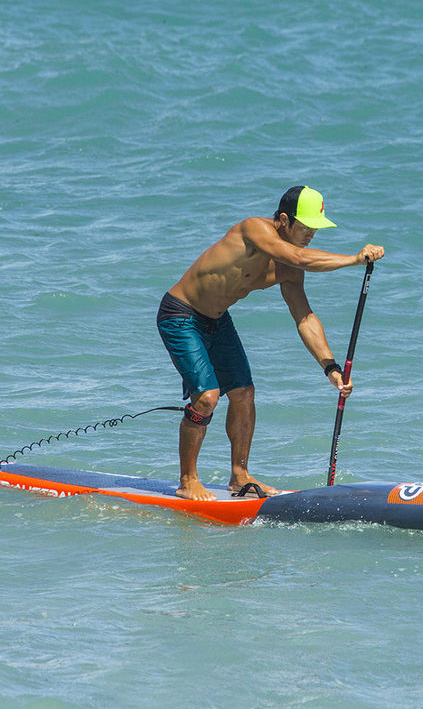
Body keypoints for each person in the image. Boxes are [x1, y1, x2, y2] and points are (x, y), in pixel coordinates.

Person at [156, 186, 385, 501]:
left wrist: (330, 367)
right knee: (207, 398)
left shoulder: (291, 270)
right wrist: (354, 259)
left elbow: (303, 316)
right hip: (180, 315)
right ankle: (188, 481)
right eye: (306, 228)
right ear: (283, 220)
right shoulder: (254, 230)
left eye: (316, 229)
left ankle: (239, 476)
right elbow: (298, 255)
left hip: (217, 320)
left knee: (243, 393)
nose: (311, 235)